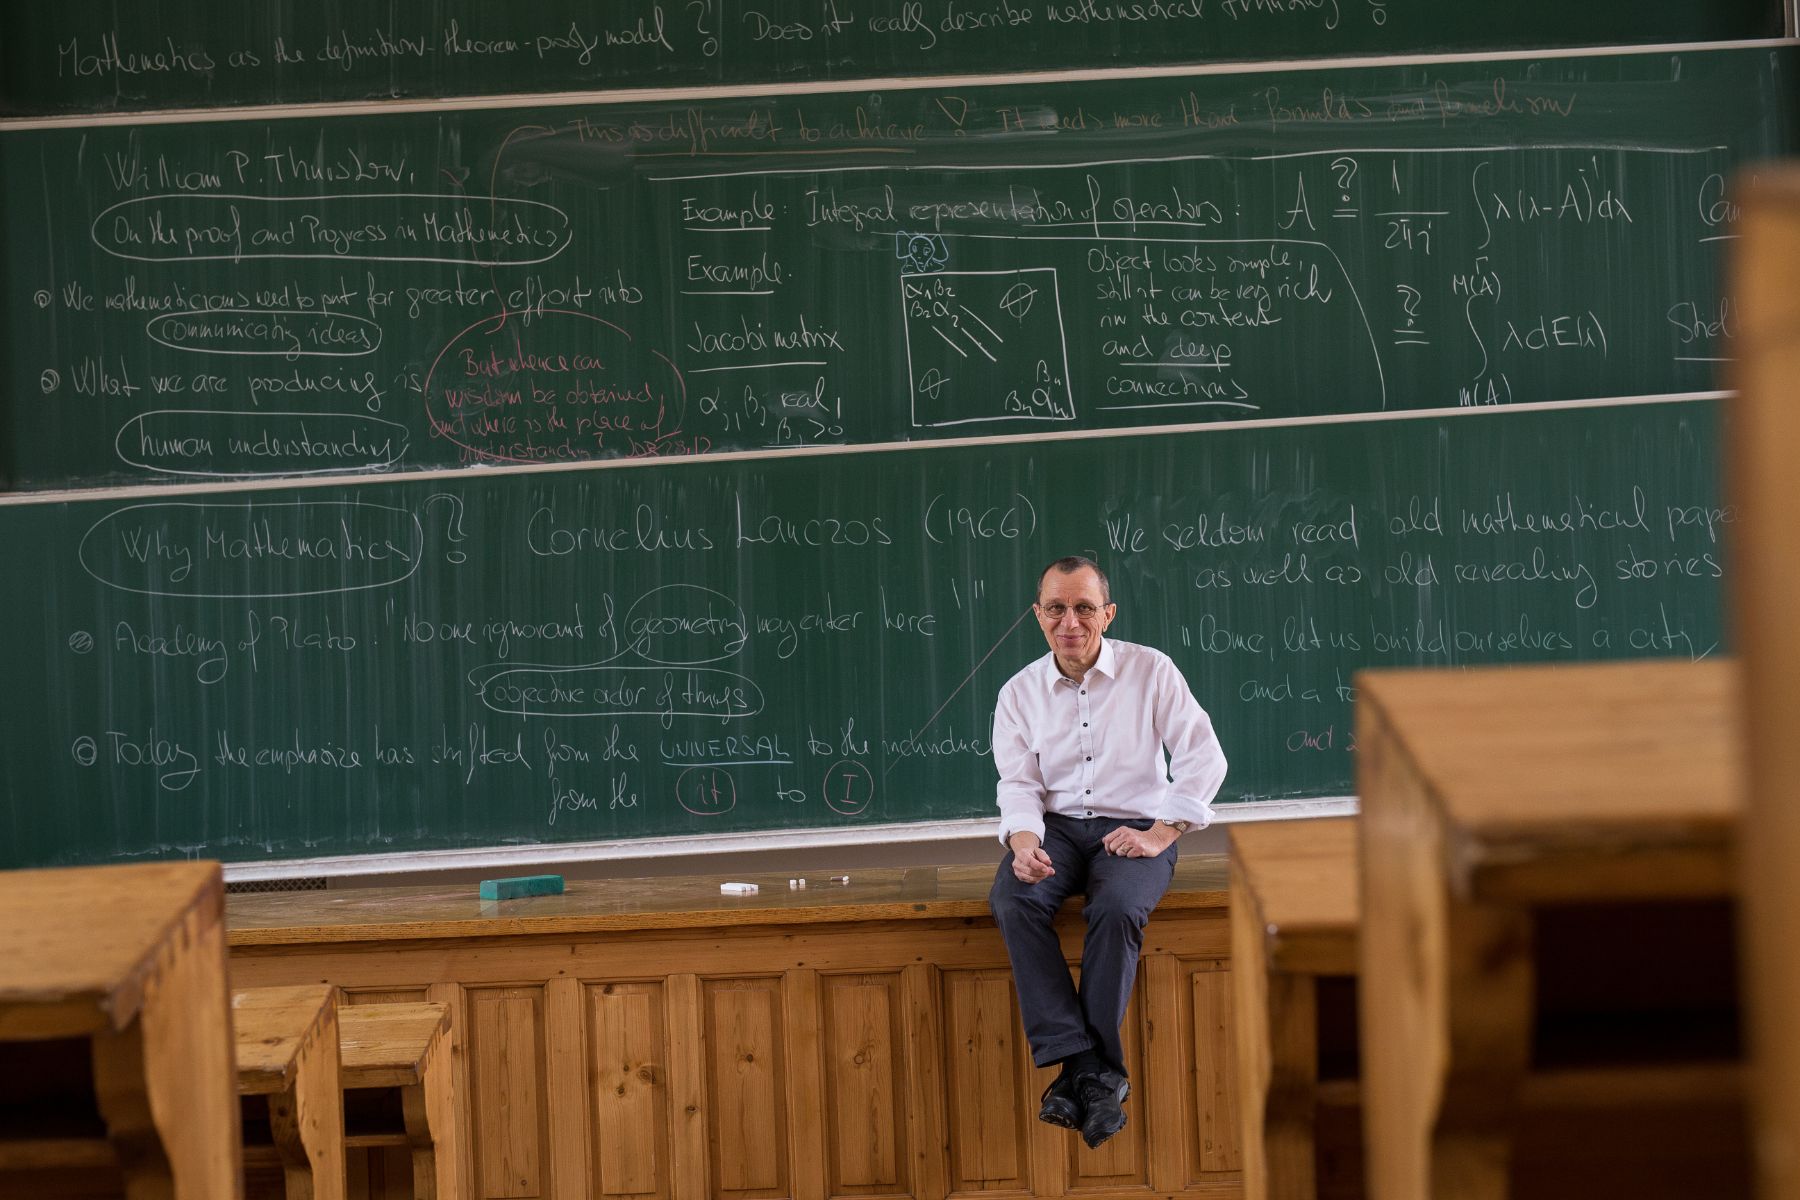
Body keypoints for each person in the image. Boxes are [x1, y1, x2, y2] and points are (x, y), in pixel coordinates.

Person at [988, 555, 1228, 1148]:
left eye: (1084, 608)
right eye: (1056, 608)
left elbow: (1204, 757)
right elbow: (1018, 784)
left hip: (1136, 825)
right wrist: (1024, 843)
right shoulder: (1018, 692)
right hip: (1056, 829)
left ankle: (1080, 1073)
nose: (1069, 622)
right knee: (1014, 899)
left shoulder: (1152, 670)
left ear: (1108, 613)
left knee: (1118, 908)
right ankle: (1092, 1069)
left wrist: (1161, 833)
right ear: (1037, 615)